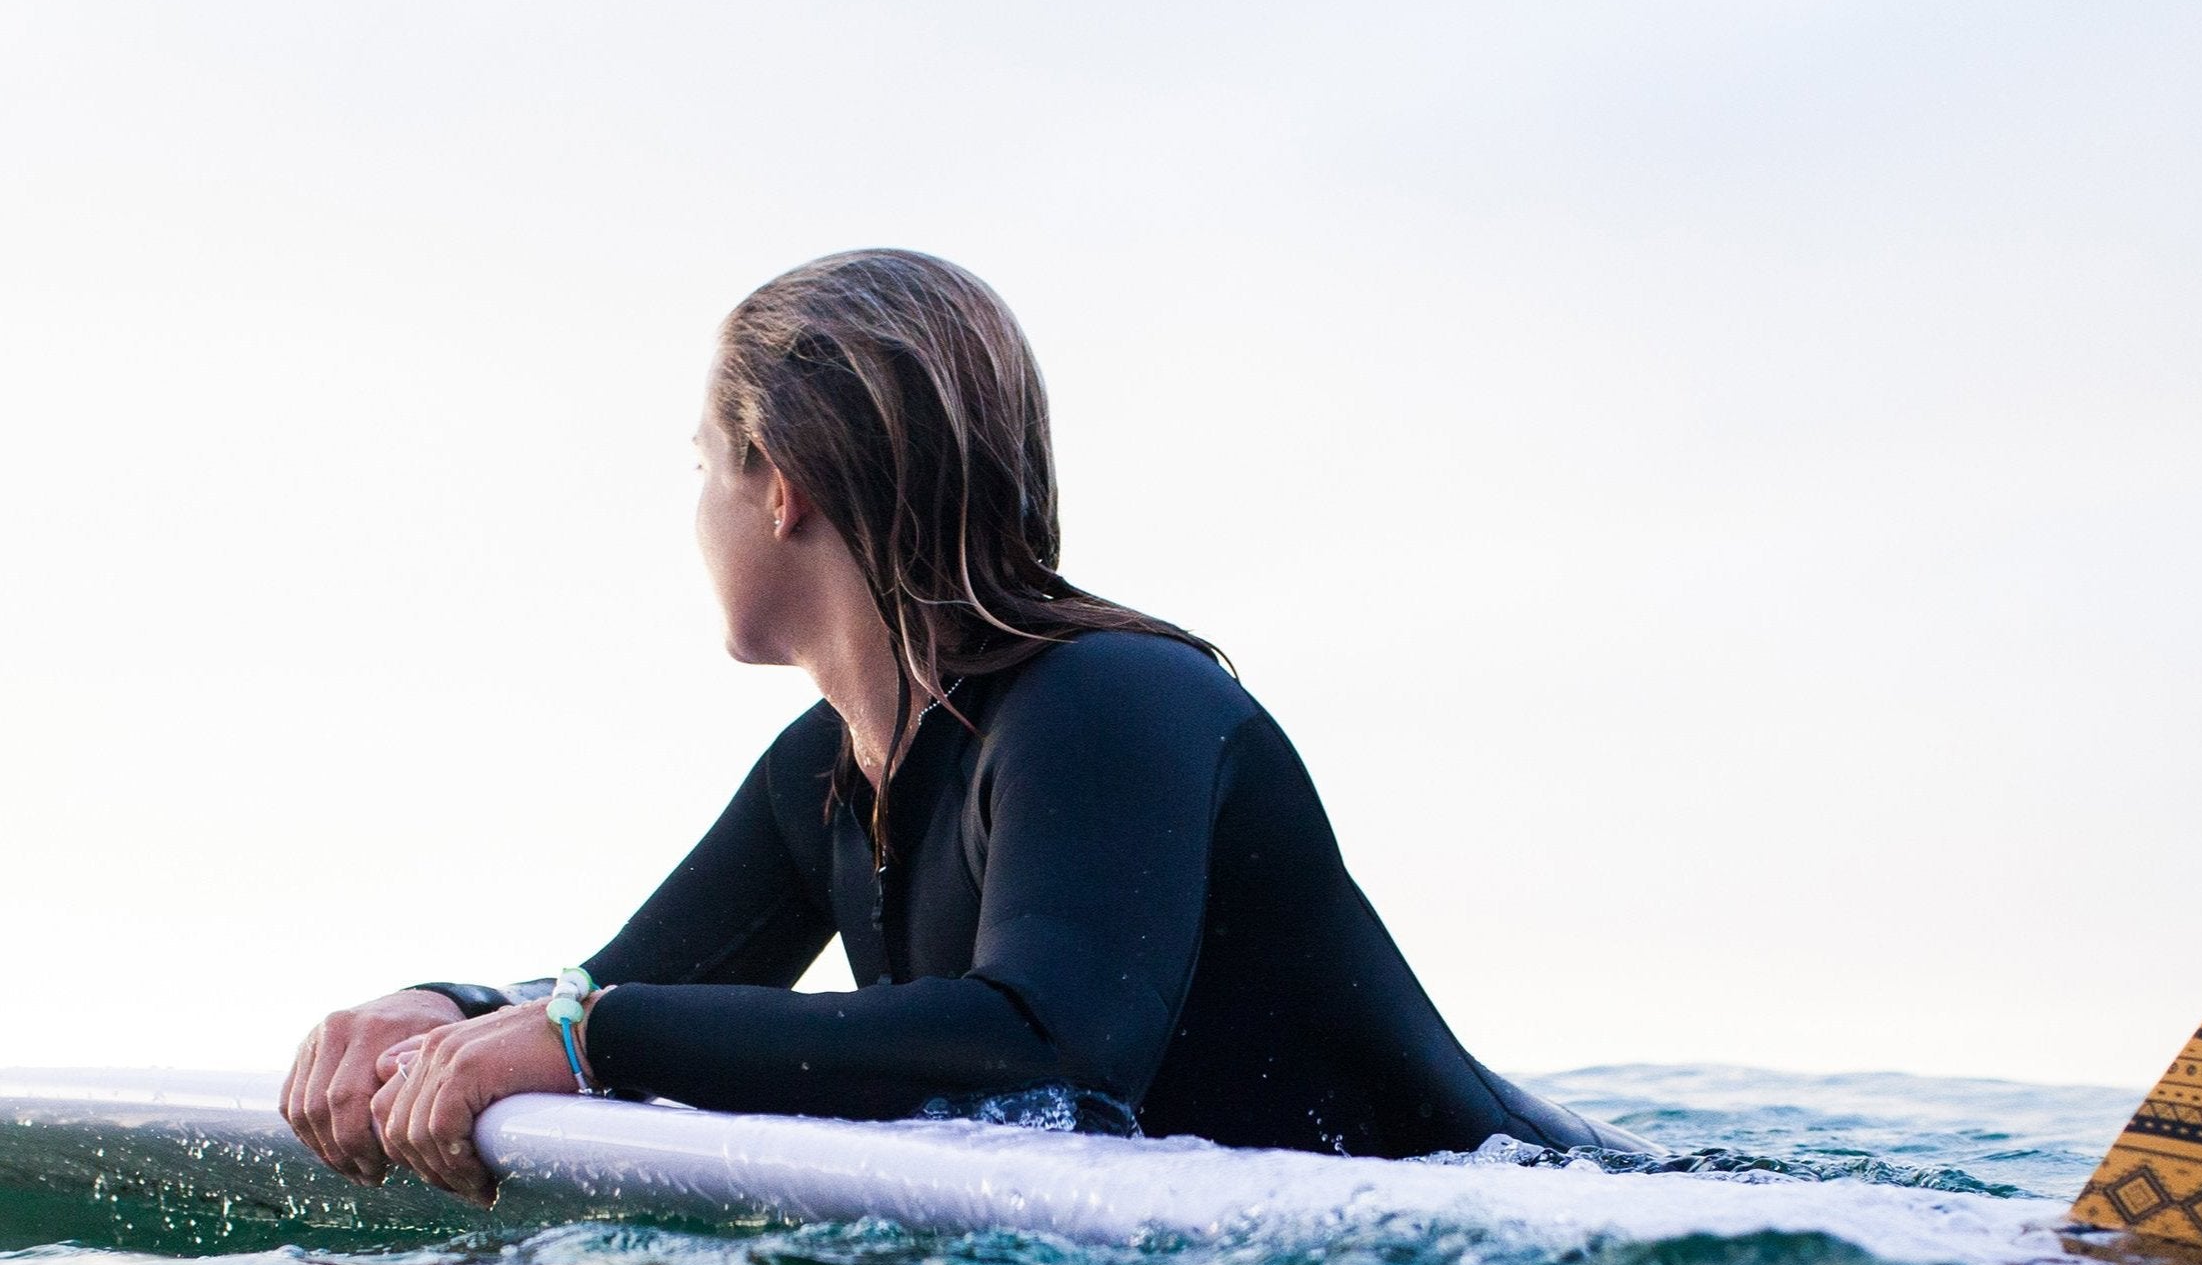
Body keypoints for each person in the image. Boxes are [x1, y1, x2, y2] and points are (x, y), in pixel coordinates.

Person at [281, 249, 1637, 1206]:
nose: (692, 506)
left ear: (780, 489)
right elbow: (621, 988)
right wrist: (447, 1012)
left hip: (1551, 1237)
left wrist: (584, 1039)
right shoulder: (827, 775)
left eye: (702, 463)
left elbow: (1051, 1049)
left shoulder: (1109, 702)